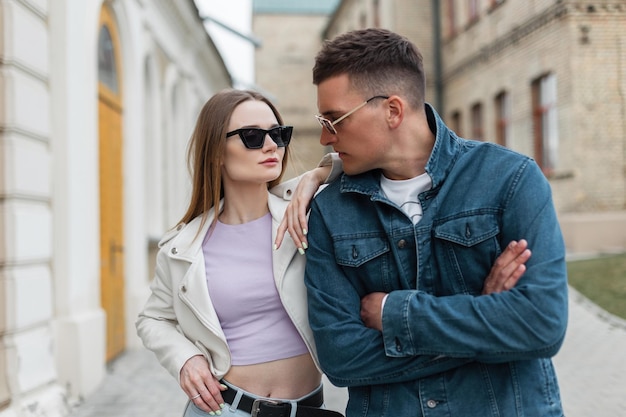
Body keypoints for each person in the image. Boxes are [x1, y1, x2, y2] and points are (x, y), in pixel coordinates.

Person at [300, 28, 568, 417]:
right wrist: (484, 315)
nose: (325, 137)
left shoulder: (510, 180)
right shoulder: (330, 211)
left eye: (335, 119)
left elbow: (541, 325)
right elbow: (342, 358)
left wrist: (395, 315)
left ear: (392, 110)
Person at [135, 89, 345, 417]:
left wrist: (318, 175)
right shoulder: (183, 247)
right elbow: (153, 317)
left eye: (277, 134)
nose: (271, 145)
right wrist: (184, 359)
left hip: (309, 408)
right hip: (224, 409)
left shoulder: (304, 212)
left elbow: (367, 162)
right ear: (217, 151)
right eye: (252, 136)